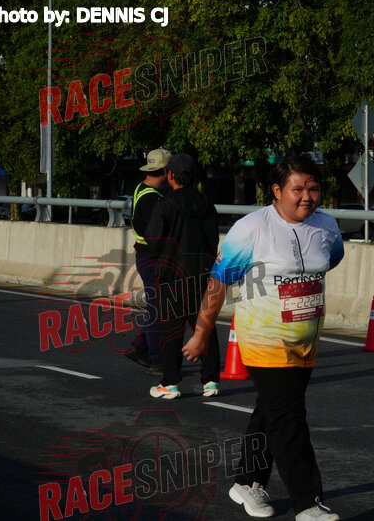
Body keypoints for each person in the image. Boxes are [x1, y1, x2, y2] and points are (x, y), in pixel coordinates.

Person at [181, 155, 344, 520]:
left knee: (271, 411)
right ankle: (308, 503)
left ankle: (247, 482)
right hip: (263, 338)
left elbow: (331, 259)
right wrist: (201, 333)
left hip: (306, 341)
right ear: (277, 190)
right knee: (289, 418)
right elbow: (219, 283)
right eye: (297, 189)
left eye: (313, 188)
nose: (307, 197)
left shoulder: (327, 225)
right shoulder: (251, 228)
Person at [145, 153, 221, 399]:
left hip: (172, 273)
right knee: (204, 325)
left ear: (170, 175)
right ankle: (210, 380)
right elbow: (213, 240)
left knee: (171, 328)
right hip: (203, 273)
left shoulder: (165, 204)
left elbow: (153, 240)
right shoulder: (207, 204)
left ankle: (170, 382)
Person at [125, 147, 170, 376]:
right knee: (157, 309)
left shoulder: (141, 188)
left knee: (157, 306)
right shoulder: (153, 199)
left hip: (145, 255)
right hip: (153, 258)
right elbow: (158, 235)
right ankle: (156, 359)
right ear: (166, 171)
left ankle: (141, 348)